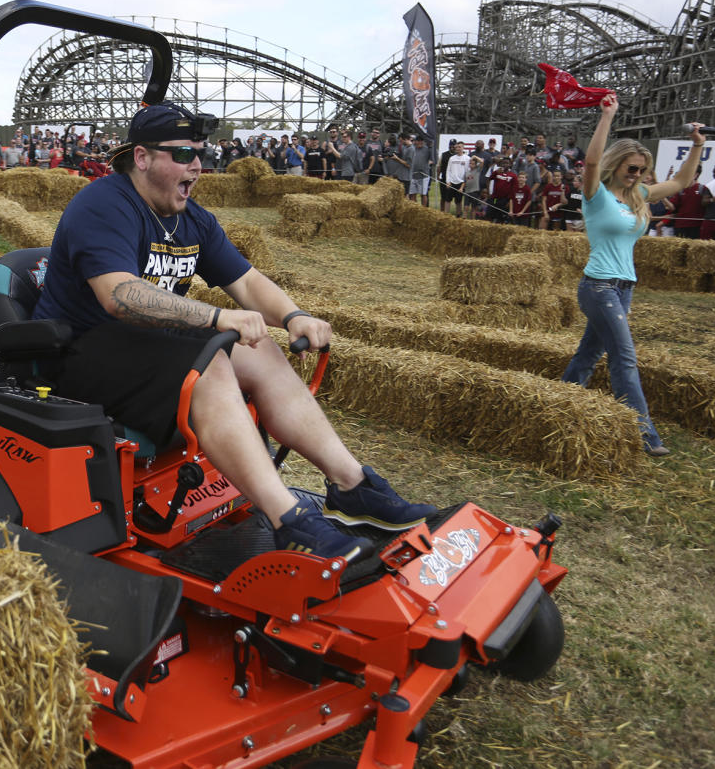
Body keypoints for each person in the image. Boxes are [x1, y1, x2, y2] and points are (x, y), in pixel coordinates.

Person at [30, 103, 436, 564]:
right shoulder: (104, 203)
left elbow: (245, 281)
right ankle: (289, 520)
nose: (197, 165)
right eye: (183, 153)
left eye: (200, 153)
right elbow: (118, 295)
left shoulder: (191, 219)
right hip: (84, 353)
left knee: (259, 350)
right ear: (142, 158)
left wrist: (293, 316)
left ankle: (352, 487)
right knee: (211, 360)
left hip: (143, 348)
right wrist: (216, 318)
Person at [561, 93, 706, 457]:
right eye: (631, 168)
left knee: (588, 355)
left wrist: (697, 146)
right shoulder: (597, 195)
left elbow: (682, 182)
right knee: (624, 357)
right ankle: (646, 434)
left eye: (641, 169)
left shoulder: (639, 195)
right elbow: (592, 161)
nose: (637, 174)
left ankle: (559, 400)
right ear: (617, 166)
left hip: (625, 289)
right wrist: (607, 116)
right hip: (598, 287)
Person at [441, 141, 470, 216]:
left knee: (458, 201)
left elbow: (467, 172)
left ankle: (458, 216)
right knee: (447, 200)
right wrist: (448, 181)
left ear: (463, 148)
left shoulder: (467, 158)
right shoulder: (452, 158)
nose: (457, 148)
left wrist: (463, 184)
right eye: (456, 147)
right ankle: (446, 215)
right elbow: (448, 170)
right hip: (451, 182)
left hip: (460, 183)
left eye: (459, 147)